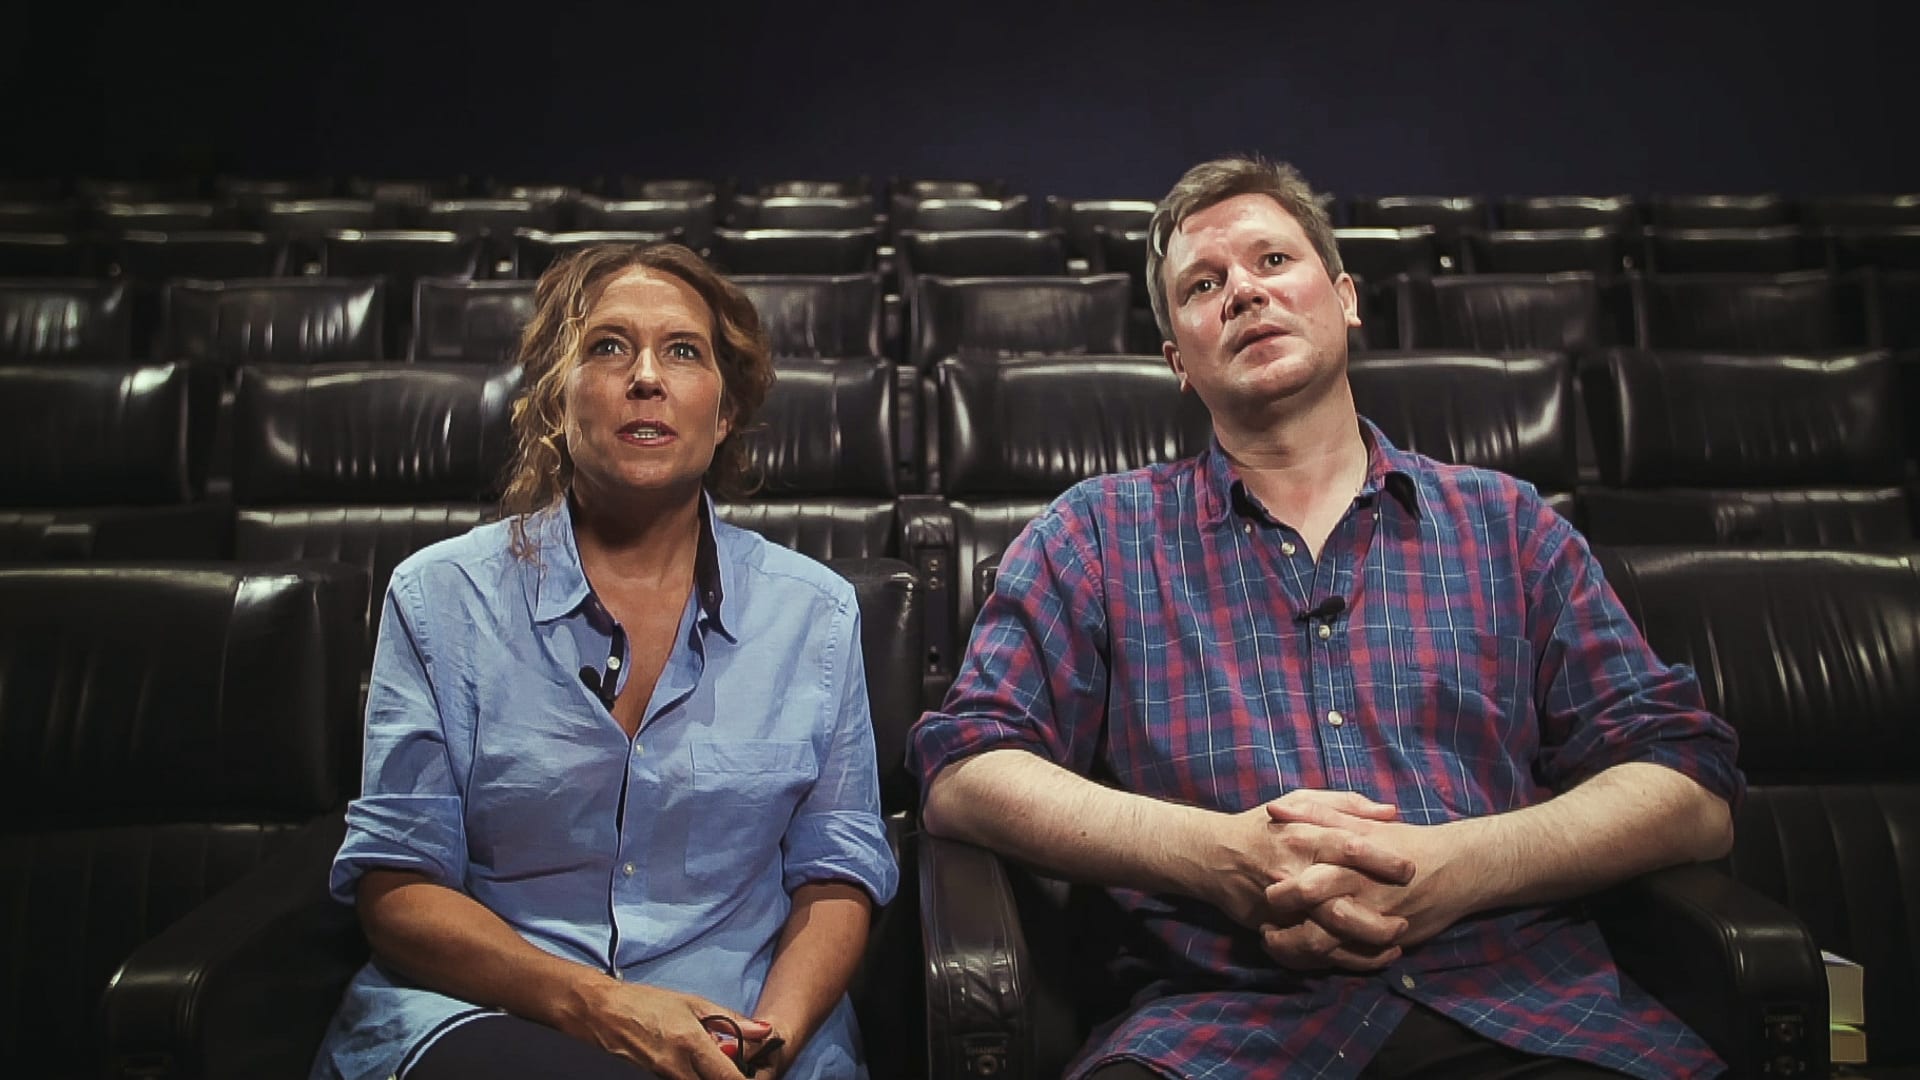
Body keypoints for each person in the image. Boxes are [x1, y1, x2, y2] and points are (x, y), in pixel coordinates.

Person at [909, 157, 1743, 1080]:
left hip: (1526, 1010)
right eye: (1202, 285)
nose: (1243, 292)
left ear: (1345, 299)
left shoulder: (1509, 525)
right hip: (1217, 1031)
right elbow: (964, 773)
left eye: (1273, 260)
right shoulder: (1093, 536)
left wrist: (1462, 866)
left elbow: (1688, 786)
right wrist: (1220, 855)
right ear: (1177, 360)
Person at [313, 243, 899, 1080]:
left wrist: (767, 1041)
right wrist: (603, 1009)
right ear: (558, 399)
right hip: (497, 1017)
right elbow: (397, 887)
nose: (646, 377)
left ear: (724, 412)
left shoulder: (816, 615)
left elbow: (836, 874)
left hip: (742, 1021)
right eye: (609, 346)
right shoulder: (438, 598)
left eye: (683, 351)